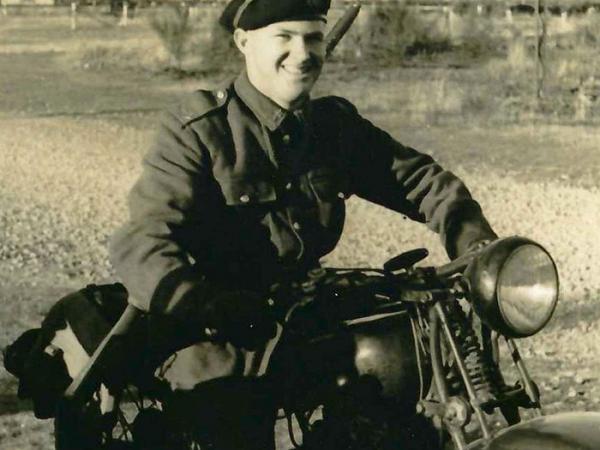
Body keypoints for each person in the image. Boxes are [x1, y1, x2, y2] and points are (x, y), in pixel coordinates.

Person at [109, 0, 498, 447]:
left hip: (306, 316)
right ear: (244, 41)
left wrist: (475, 242)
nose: (304, 52)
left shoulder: (331, 127)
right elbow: (142, 241)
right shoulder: (199, 130)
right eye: (284, 37)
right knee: (229, 418)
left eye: (314, 37)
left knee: (400, 398)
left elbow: (420, 181)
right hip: (219, 331)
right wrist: (207, 305)